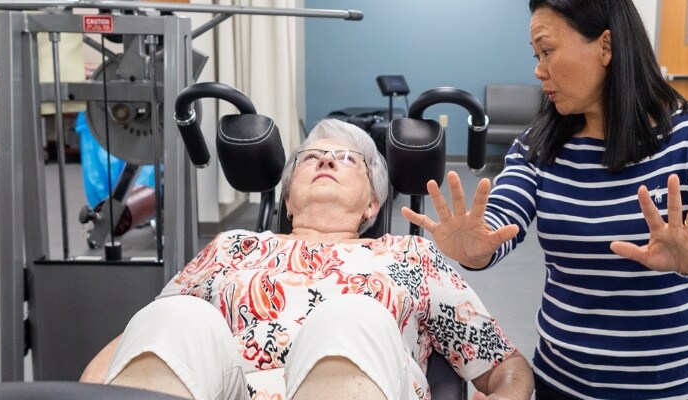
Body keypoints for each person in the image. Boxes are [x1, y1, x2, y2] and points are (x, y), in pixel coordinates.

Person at [400, 1, 688, 398]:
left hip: (671, 385)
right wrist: (475, 248)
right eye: (536, 55)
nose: (538, 70)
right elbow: (500, 221)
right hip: (563, 382)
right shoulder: (537, 146)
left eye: (548, 51)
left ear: (605, 46)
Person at [80, 120, 534, 400]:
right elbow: (144, 340)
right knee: (177, 313)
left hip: (365, 385)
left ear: (372, 206)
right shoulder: (232, 246)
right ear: (289, 201)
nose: (326, 162)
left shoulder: (409, 254)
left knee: (350, 316)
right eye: (310, 158)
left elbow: (506, 365)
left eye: (346, 159)